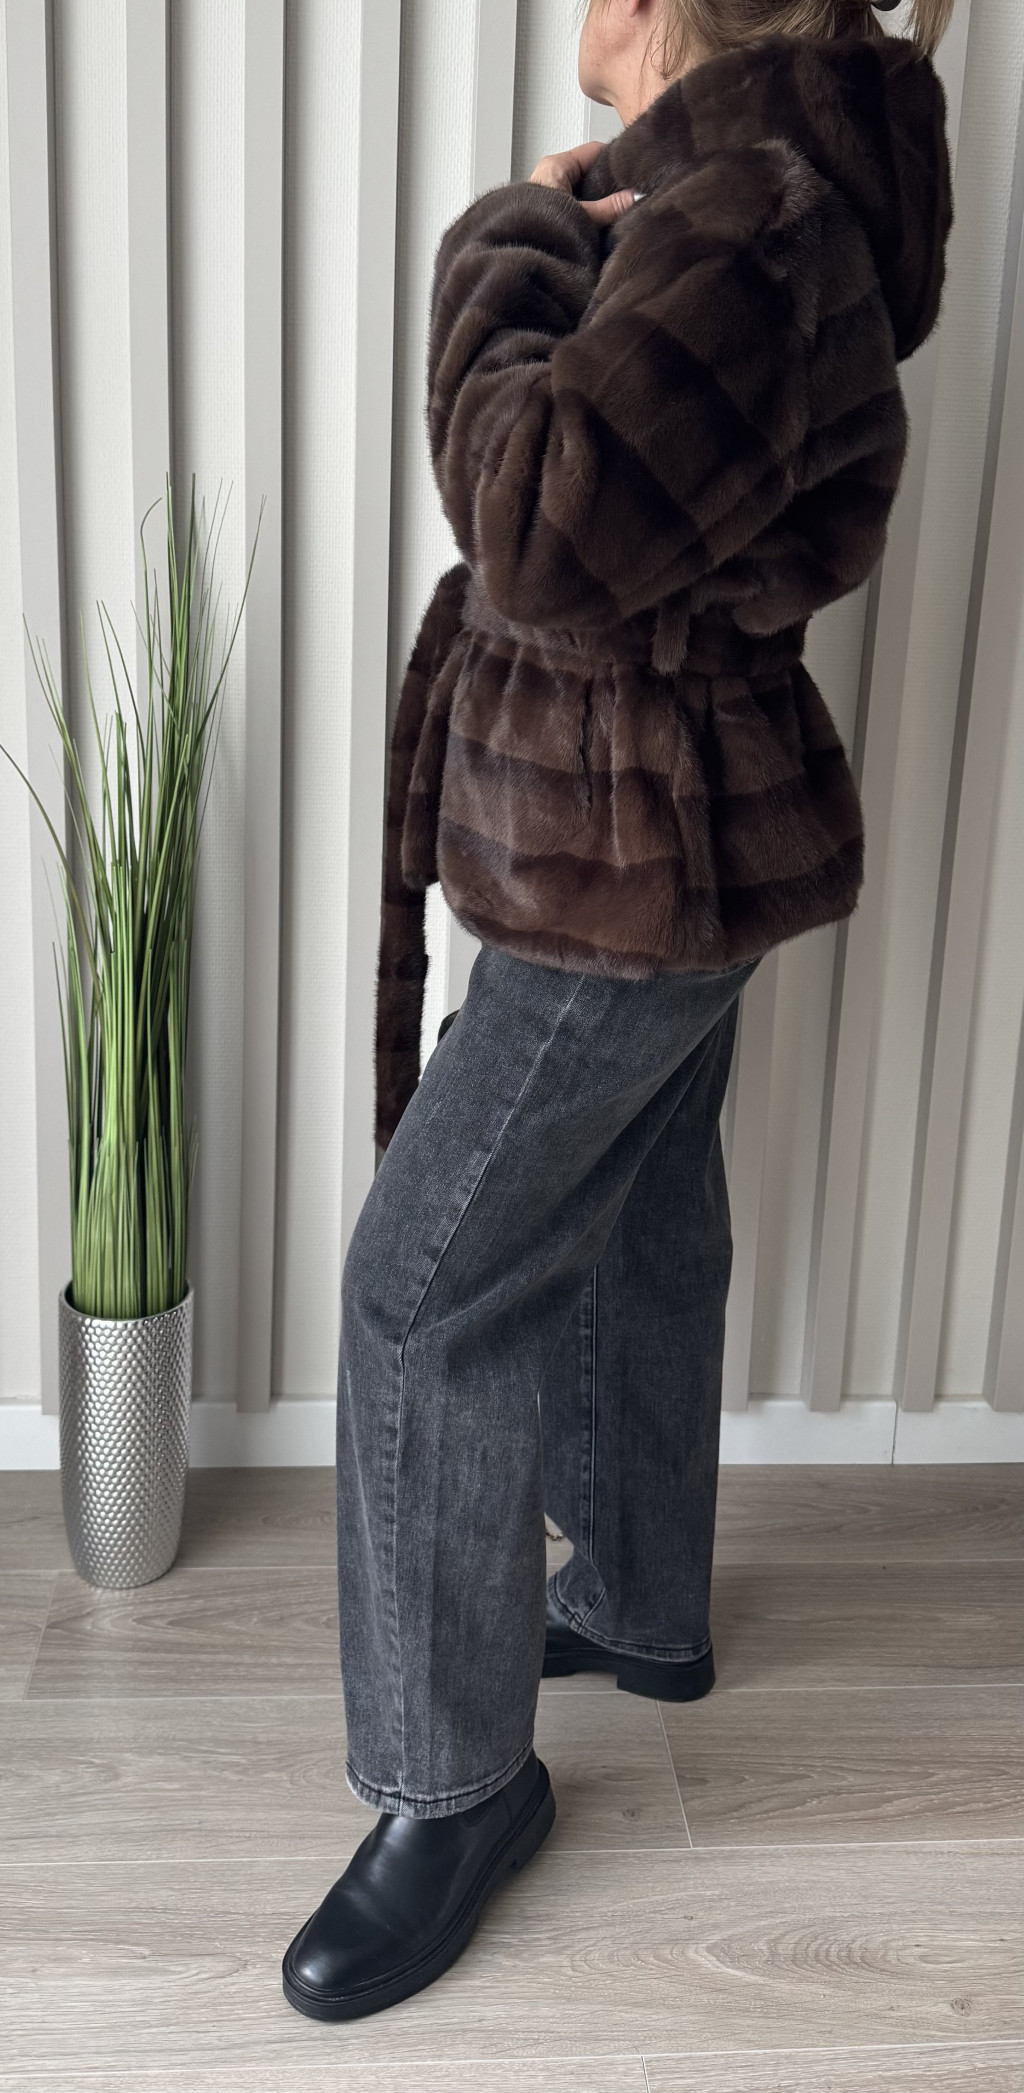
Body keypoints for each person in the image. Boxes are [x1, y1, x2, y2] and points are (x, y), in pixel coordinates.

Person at [282, 0, 954, 2022]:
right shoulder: (745, 204)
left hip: (626, 853)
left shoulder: (744, 218)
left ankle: (453, 1787)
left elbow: (536, 527)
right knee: (639, 1218)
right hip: (667, 837)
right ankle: (644, 1602)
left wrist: (503, 243)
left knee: (420, 1291)